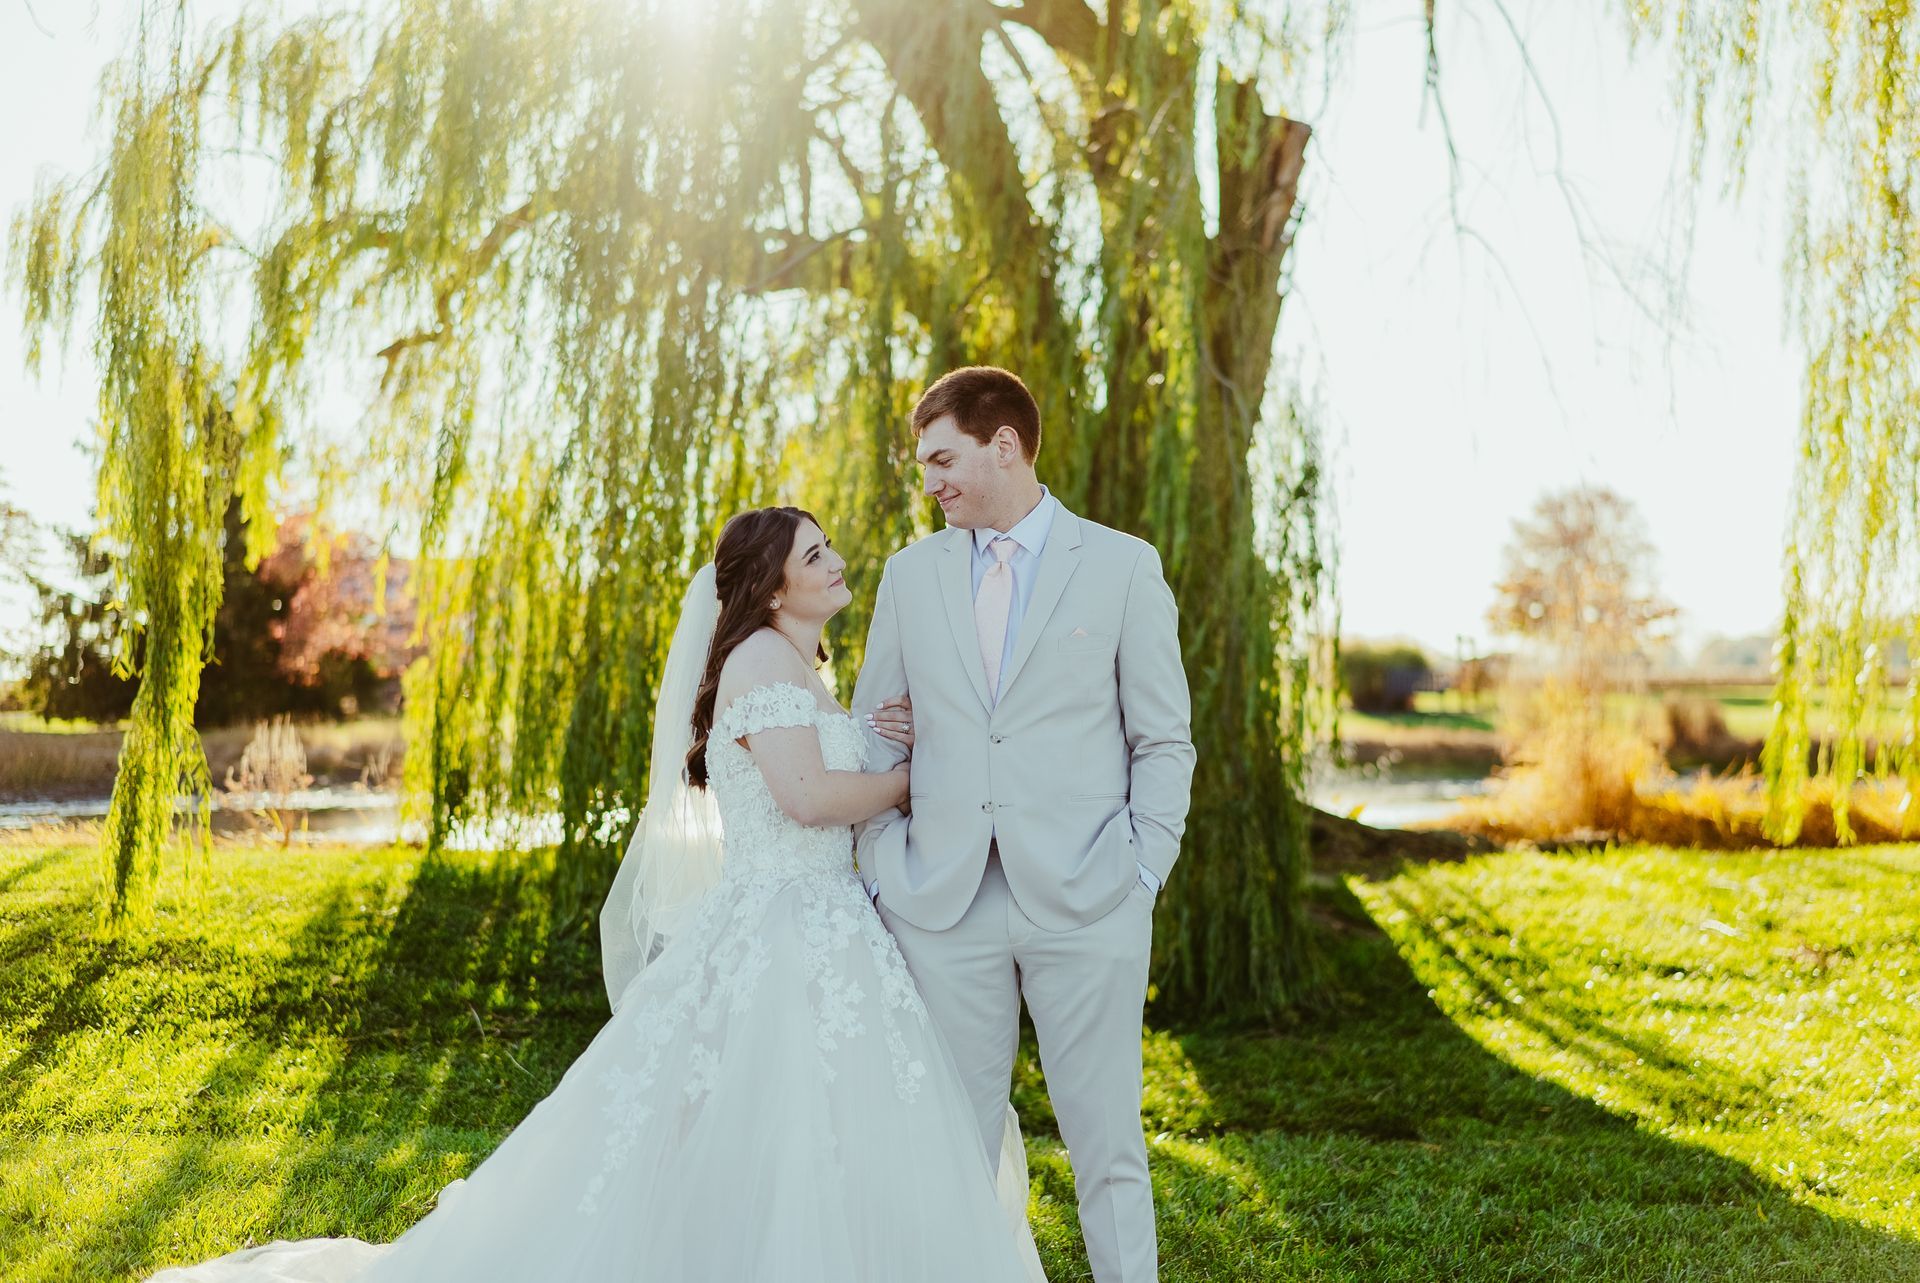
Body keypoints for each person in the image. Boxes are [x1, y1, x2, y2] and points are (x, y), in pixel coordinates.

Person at [145, 505, 1047, 1283]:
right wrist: (910, 780)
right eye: (813, 556)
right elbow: (806, 798)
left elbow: (816, 765)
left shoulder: (798, 669)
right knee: (776, 1115)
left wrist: (872, 733)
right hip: (785, 925)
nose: (835, 561)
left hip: (825, 921)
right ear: (772, 588)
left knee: (820, 1120)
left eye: (826, 548)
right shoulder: (765, 663)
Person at [851, 366, 1195, 1283]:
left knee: (1108, 1146)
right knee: (949, 1152)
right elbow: (872, 733)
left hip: (1089, 896)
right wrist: (885, 863)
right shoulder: (908, 575)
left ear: (1004, 444)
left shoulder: (1123, 566)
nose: (930, 482)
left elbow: (1163, 738)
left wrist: (1141, 871)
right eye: (925, 465)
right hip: (943, 902)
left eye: (942, 459)